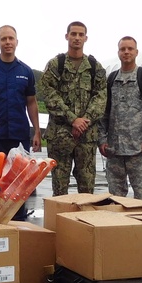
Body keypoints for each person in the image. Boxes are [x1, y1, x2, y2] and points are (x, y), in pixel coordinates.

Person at [0, 25, 42, 221]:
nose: (7, 42)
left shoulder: (25, 71)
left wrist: (36, 131)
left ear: (17, 42)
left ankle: (18, 219)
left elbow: (31, 102)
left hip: (19, 134)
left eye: (11, 38)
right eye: (3, 39)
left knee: (19, 180)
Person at [37, 21, 107, 196]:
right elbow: (49, 94)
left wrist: (84, 121)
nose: (77, 38)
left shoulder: (95, 67)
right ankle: (59, 222)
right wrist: (72, 119)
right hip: (60, 136)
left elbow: (101, 97)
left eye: (80, 34)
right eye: (73, 34)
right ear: (67, 36)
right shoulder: (55, 65)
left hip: (86, 137)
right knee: (60, 186)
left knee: (87, 185)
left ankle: (83, 222)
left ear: (86, 38)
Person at [99, 36, 142, 202]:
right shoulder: (111, 79)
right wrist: (101, 139)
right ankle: (120, 228)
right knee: (115, 199)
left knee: (141, 199)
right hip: (114, 150)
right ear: (118, 52)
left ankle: (140, 228)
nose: (126, 52)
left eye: (130, 49)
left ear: (136, 52)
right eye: (123, 49)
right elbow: (103, 112)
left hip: (139, 149)